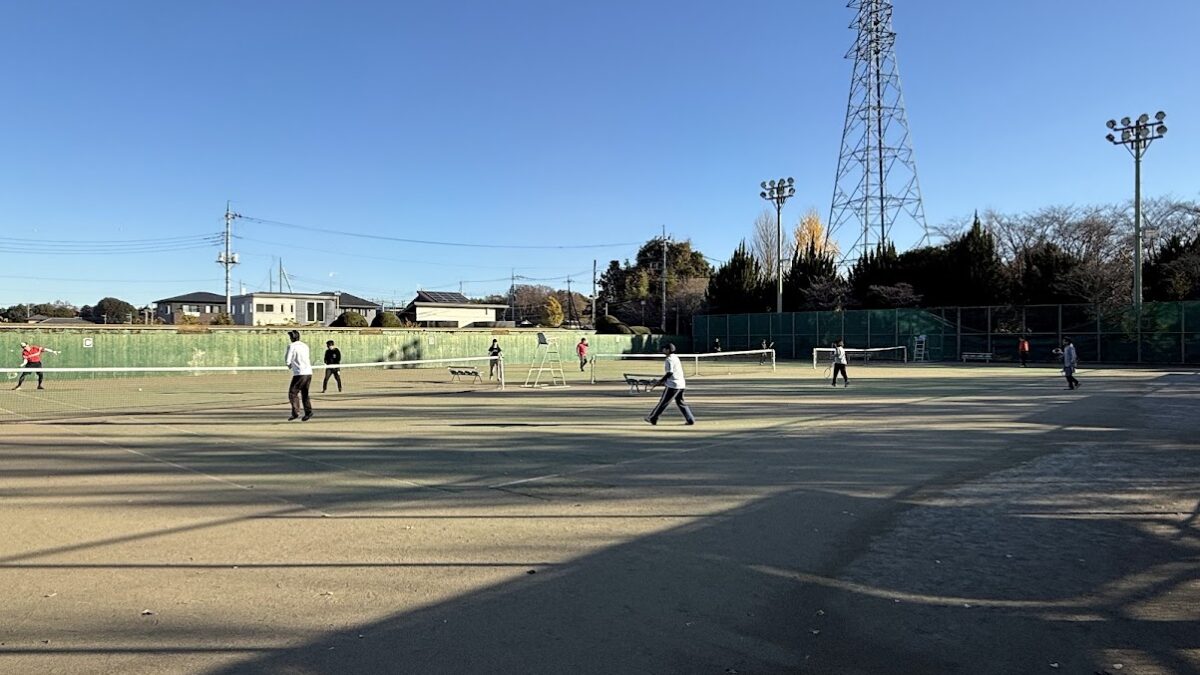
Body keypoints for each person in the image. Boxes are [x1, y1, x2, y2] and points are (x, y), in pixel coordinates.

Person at [644, 343, 695, 426]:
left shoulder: (669, 359)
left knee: (663, 402)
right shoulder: (675, 357)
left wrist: (661, 381)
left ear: (668, 350)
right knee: (680, 402)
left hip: (673, 385)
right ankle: (690, 420)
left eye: (664, 348)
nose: (663, 350)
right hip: (681, 384)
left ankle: (652, 418)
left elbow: (670, 372)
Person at [284, 330, 313, 421]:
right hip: (308, 372)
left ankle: (296, 412)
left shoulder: (291, 346)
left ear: (292, 338)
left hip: (299, 373)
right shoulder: (305, 346)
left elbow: (288, 359)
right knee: (305, 393)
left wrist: (289, 365)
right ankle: (308, 412)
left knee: (292, 393)